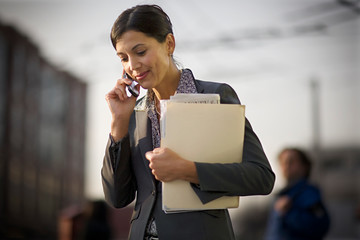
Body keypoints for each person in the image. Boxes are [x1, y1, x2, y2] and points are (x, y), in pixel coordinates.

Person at [101, 4, 275, 240]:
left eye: (140, 52)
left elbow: (261, 177)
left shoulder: (215, 96)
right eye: (123, 58)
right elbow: (116, 197)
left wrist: (188, 170)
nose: (132, 66)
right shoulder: (132, 111)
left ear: (169, 44)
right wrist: (118, 123)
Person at [264, 147, 330, 240]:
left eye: (291, 162)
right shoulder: (280, 196)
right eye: (283, 162)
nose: (286, 166)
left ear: (304, 167)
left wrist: (289, 213)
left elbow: (319, 226)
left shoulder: (308, 194)